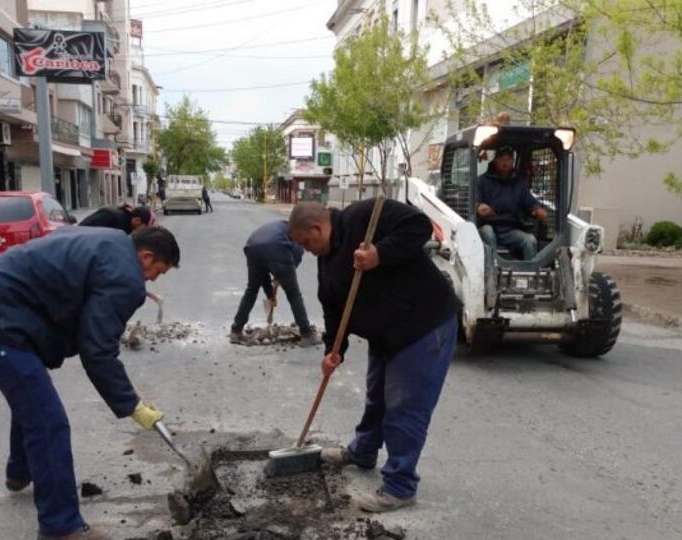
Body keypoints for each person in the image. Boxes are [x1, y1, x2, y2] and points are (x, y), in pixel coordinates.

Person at [0, 226, 180, 540]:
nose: (153, 280)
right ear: (146, 256)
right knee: (49, 423)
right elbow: (97, 350)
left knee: (32, 399)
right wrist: (131, 404)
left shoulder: (113, 245)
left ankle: (20, 472)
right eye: (157, 271)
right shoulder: (124, 275)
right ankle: (60, 525)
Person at [289, 199, 459, 513]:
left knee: (404, 409)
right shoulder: (326, 259)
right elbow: (333, 307)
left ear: (316, 228)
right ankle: (363, 452)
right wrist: (333, 351)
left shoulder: (364, 217)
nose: (307, 250)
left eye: (306, 243)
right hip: (386, 336)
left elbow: (420, 227)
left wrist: (380, 254)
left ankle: (400, 486)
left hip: (422, 327)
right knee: (376, 399)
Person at [230, 219, 320, 346]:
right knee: (294, 294)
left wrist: (270, 295)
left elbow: (263, 276)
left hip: (252, 248)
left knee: (251, 290)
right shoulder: (297, 234)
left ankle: (236, 330)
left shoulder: (280, 226)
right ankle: (306, 333)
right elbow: (297, 257)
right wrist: (282, 274)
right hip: (277, 249)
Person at [475, 146, 548, 260]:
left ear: (513, 162)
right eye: (502, 158)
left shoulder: (519, 184)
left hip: (510, 230)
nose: (505, 162)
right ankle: (493, 269)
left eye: (509, 159)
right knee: (488, 233)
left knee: (529, 241)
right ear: (495, 161)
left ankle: (528, 274)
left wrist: (536, 209)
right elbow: (476, 203)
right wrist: (480, 207)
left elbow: (529, 202)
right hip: (488, 227)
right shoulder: (482, 181)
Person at [78, 203, 151, 234]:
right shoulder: (112, 216)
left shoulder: (127, 226)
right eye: (144, 226)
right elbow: (83, 228)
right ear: (137, 220)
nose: (143, 230)